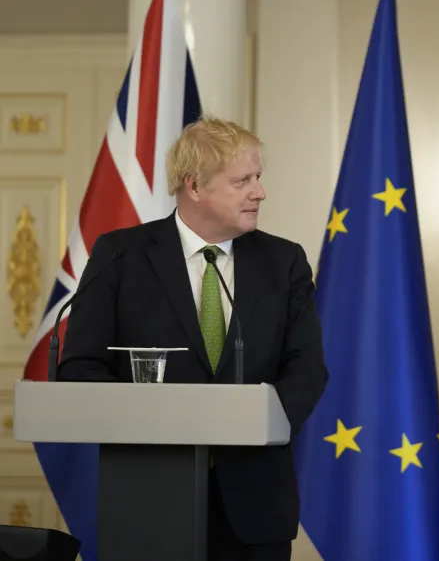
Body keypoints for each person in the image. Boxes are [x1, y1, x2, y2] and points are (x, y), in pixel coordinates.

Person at [57, 116, 329, 561]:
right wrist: (158, 423)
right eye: (243, 181)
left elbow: (307, 369)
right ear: (195, 186)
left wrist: (254, 426)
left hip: (255, 503)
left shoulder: (283, 261)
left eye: (258, 178)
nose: (259, 192)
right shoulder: (120, 256)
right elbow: (81, 368)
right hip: (147, 499)